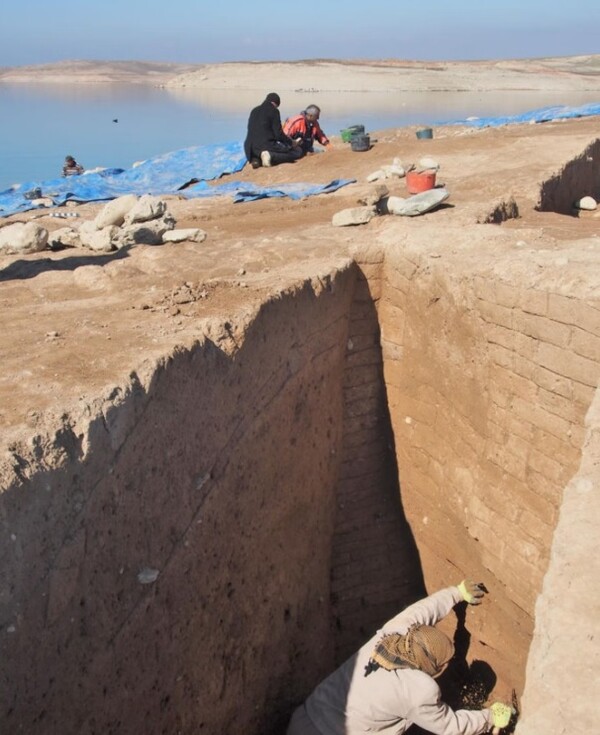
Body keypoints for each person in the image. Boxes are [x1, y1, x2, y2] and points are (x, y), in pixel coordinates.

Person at [286, 580, 515, 735]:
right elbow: (449, 726)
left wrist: (456, 593)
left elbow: (423, 610)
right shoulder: (417, 690)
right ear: (430, 666)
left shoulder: (395, 634)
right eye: (443, 664)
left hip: (303, 720)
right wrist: (490, 717)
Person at [244, 92, 302, 169]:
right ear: (276, 104)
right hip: (265, 145)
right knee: (295, 153)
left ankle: (256, 160)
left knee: (260, 149)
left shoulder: (254, 110)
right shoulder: (274, 111)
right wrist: (291, 143)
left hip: (249, 148)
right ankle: (270, 156)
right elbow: (278, 134)